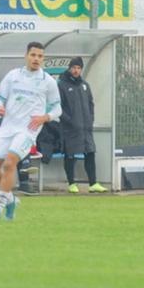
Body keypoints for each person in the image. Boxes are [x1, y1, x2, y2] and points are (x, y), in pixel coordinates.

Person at [0, 42, 61, 221]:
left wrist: (44, 117)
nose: (36, 59)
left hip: (28, 130)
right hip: (7, 127)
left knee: (10, 163)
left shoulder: (48, 81)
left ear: (43, 59)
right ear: (26, 55)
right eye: (33, 55)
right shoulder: (13, 76)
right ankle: (10, 199)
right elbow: (0, 99)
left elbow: (57, 109)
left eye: (40, 56)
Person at [58, 56, 106, 194]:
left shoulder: (85, 85)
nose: (76, 70)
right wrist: (70, 121)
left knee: (90, 153)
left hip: (85, 128)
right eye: (74, 67)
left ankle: (93, 183)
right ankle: (71, 183)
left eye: (78, 68)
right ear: (69, 68)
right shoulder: (62, 85)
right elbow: (58, 107)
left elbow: (91, 104)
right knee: (70, 155)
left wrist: (90, 120)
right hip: (70, 128)